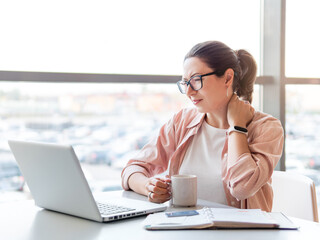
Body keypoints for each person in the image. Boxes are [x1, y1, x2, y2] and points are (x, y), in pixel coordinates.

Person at [121, 40, 284, 212]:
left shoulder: (267, 128)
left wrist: (237, 127)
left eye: (196, 80)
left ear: (228, 78)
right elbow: (132, 170)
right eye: (185, 82)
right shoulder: (182, 121)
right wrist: (148, 186)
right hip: (186, 230)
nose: (189, 91)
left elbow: (241, 188)